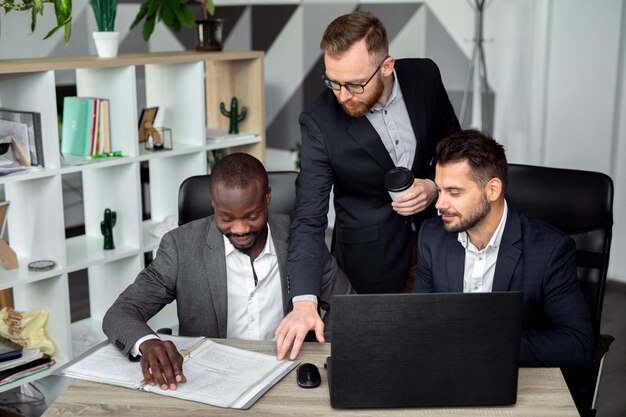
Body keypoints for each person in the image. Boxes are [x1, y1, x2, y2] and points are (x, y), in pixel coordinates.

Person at [276, 10, 460, 360]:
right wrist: (303, 301)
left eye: (354, 84)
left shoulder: (425, 76)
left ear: (387, 66)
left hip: (440, 243)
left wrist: (436, 186)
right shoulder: (318, 122)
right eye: (333, 81)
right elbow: (308, 218)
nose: (342, 96)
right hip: (369, 263)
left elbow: (455, 145)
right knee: (381, 359)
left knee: (438, 352)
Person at [102, 153, 353, 390]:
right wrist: (148, 343)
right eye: (226, 218)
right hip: (208, 380)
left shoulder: (301, 240)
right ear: (213, 203)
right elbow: (120, 312)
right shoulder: (181, 247)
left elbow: (346, 305)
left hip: (289, 374)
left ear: (267, 198)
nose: (241, 229)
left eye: (252, 216)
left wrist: (320, 349)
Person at [413, 130, 594, 368]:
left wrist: (486, 344)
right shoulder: (431, 237)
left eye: (454, 193)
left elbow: (577, 344)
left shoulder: (551, 250)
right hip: (447, 372)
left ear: (493, 190)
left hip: (515, 376)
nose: (439, 204)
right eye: (439, 191)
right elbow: (419, 322)